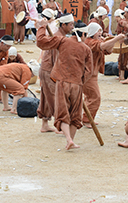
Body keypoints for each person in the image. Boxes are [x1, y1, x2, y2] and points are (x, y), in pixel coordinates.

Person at [36, 19, 93, 150]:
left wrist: (41, 28)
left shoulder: (62, 41)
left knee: (63, 112)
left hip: (62, 82)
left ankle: (69, 140)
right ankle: (70, 140)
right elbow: (88, 71)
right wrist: (79, 81)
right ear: (83, 35)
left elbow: (41, 42)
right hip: (76, 84)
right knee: (74, 115)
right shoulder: (86, 49)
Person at [82, 23, 124, 127]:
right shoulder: (88, 42)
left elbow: (107, 50)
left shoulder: (97, 41)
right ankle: (87, 119)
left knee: (89, 97)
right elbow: (102, 46)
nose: (100, 33)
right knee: (95, 97)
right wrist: (116, 39)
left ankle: (87, 117)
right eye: (98, 31)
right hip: (87, 74)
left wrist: (112, 41)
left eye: (100, 31)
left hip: (93, 73)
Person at [37, 11, 71, 133]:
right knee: (55, 98)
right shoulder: (58, 36)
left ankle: (45, 124)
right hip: (49, 70)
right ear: (64, 25)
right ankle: (60, 125)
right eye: (70, 25)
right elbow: (54, 56)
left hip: (49, 69)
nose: (72, 27)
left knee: (46, 97)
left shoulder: (61, 36)